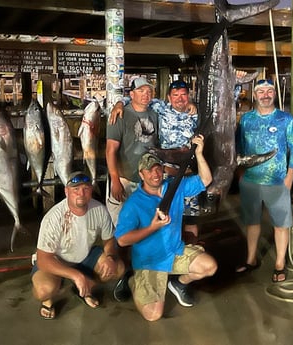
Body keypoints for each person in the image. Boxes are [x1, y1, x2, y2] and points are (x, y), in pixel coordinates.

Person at [114, 135, 217, 321]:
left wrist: (199, 154)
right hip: (149, 261)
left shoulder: (173, 186)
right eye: (149, 171)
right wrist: (152, 227)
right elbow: (122, 239)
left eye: (158, 169)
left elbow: (206, 180)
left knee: (209, 266)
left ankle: (178, 283)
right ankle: (132, 280)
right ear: (141, 174)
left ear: (162, 170)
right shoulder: (133, 204)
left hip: (174, 252)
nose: (155, 174)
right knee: (153, 316)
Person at [109, 79, 200, 239]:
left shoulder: (194, 113)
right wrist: (119, 103)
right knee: (157, 215)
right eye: (175, 95)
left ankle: (185, 251)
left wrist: (193, 105)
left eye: (184, 95)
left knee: (190, 216)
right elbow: (135, 98)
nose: (180, 98)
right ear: (168, 97)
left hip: (187, 172)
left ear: (189, 96)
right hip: (158, 175)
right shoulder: (160, 108)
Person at [31, 171, 126, 319]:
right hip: (56, 260)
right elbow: (43, 259)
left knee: (117, 267)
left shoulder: (99, 209)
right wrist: (76, 275)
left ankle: (84, 288)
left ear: (91, 191)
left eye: (86, 188)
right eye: (75, 189)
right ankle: (50, 299)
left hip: (84, 255)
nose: (81, 193)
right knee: (44, 290)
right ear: (66, 191)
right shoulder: (53, 218)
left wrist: (109, 255)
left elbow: (109, 240)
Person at [235, 78, 293, 283]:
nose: (265, 95)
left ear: (274, 94)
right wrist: (240, 174)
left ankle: (279, 263)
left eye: (269, 91)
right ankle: (250, 258)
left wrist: (290, 177)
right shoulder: (246, 120)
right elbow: (238, 148)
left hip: (278, 181)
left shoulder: (286, 119)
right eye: (261, 92)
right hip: (251, 180)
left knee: (281, 224)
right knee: (251, 223)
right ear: (254, 95)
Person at [106, 76, 159, 225]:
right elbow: (110, 150)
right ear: (131, 94)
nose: (145, 94)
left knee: (144, 223)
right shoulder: (120, 115)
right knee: (121, 224)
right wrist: (115, 180)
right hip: (126, 179)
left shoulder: (154, 113)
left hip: (147, 181)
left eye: (149, 91)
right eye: (141, 90)